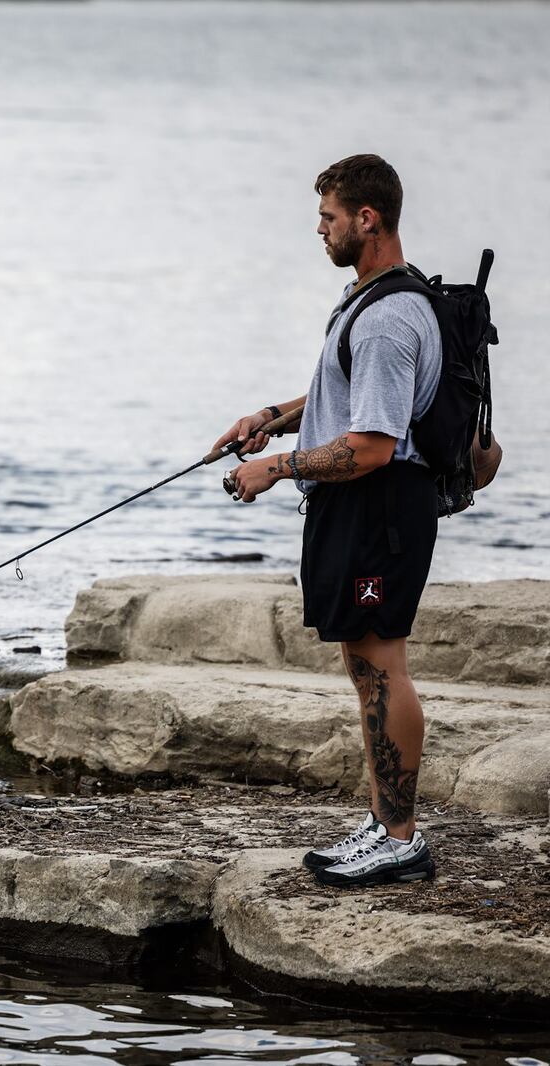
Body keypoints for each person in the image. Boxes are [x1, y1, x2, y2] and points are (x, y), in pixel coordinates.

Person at [211, 154, 497, 889]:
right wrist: (273, 421)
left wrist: (273, 470)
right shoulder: (374, 299)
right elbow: (354, 399)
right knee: (364, 663)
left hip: (381, 508)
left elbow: (372, 445)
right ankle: (383, 823)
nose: (320, 230)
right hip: (364, 509)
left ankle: (400, 839)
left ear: (367, 219)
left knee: (381, 666)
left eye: (328, 217)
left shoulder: (389, 317)